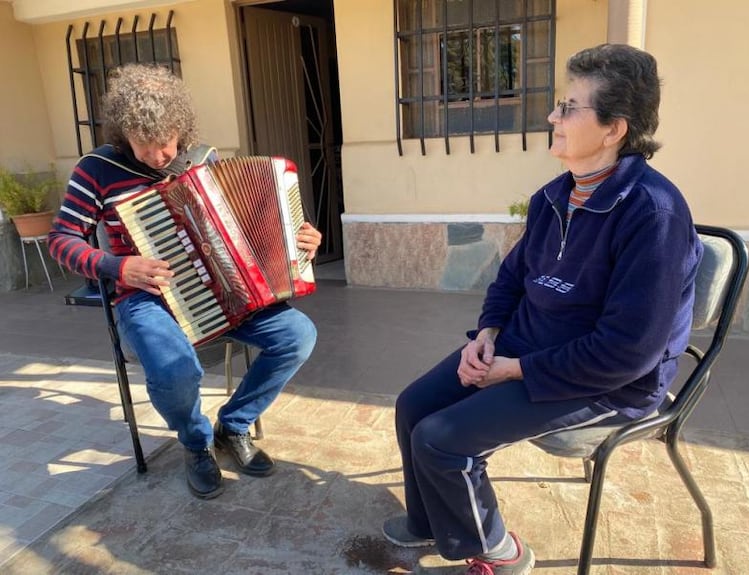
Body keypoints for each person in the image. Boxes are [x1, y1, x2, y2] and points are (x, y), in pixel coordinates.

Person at [382, 43, 703, 575]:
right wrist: (486, 336)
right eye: (559, 103)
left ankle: (500, 551)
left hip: (607, 381)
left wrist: (516, 369)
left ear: (613, 128)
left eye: (569, 107)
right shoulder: (554, 196)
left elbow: (628, 352)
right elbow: (511, 279)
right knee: (414, 405)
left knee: (442, 442)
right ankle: (431, 522)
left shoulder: (653, 214)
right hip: (526, 347)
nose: (553, 116)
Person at [48, 63, 321, 500]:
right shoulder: (95, 170)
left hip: (223, 291)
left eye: (167, 143)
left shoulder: (203, 158)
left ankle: (231, 426)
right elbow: (61, 240)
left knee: (298, 335)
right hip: (145, 297)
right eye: (144, 145)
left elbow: (243, 222)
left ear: (182, 129)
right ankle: (196, 444)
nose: (158, 156)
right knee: (176, 370)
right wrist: (119, 267)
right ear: (123, 134)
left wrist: (300, 237)